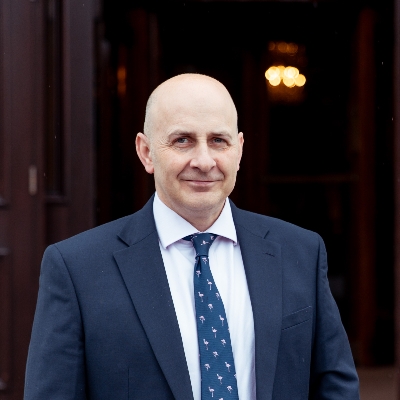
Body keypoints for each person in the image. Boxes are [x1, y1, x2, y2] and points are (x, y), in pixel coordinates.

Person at [24, 74, 359, 399]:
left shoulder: (301, 252)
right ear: (146, 152)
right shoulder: (77, 269)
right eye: (182, 140)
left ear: (239, 150)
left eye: (218, 141)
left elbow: (335, 385)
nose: (203, 161)